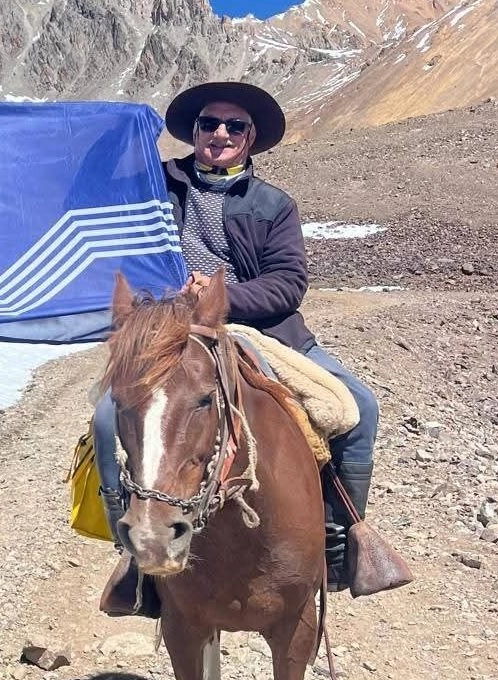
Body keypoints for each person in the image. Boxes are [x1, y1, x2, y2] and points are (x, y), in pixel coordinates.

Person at [96, 81, 412, 616]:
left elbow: (289, 282)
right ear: (193, 133)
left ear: (250, 139)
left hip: (261, 331)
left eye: (234, 126)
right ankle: (136, 555)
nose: (220, 133)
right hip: (171, 334)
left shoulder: (273, 206)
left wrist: (226, 297)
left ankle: (339, 546)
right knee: (108, 420)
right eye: (209, 124)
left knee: (359, 410)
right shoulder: (155, 188)